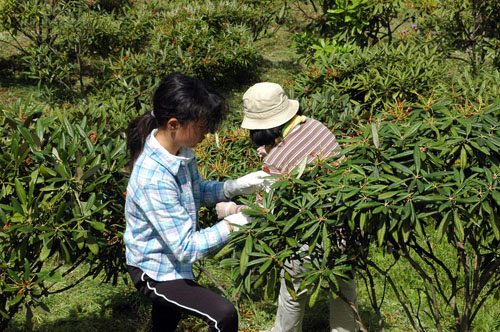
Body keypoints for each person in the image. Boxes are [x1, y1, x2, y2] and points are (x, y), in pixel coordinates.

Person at [124, 72, 269, 332]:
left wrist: (234, 186)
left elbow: (195, 191)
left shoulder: (180, 151)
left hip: (172, 261)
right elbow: (186, 248)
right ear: (173, 124)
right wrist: (237, 222)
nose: (206, 132)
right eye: (202, 125)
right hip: (156, 269)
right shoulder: (153, 177)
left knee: (164, 324)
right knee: (223, 315)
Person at [217, 82, 358, 332]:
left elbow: (268, 212)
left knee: (293, 295)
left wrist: (231, 210)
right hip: (346, 225)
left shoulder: (278, 159)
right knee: (344, 291)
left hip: (308, 238)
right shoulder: (316, 126)